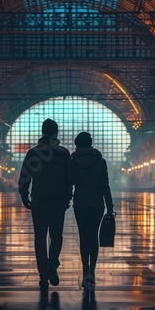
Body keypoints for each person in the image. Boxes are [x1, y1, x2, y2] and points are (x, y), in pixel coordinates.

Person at [19, 119, 72, 291]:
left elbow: (25, 175)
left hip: (39, 200)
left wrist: (23, 194)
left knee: (40, 238)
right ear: (56, 133)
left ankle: (43, 276)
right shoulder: (64, 153)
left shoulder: (33, 152)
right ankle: (52, 263)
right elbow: (68, 178)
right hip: (58, 200)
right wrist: (67, 197)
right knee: (57, 236)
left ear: (42, 132)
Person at [71, 132, 114, 291]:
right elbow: (105, 185)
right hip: (97, 204)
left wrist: (66, 198)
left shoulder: (74, 161)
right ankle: (92, 272)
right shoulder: (100, 161)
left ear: (78, 145)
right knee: (93, 237)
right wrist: (110, 205)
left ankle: (85, 271)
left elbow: (71, 182)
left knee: (83, 236)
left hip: (80, 203)